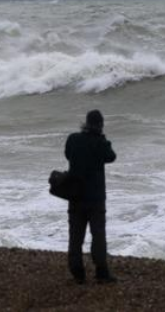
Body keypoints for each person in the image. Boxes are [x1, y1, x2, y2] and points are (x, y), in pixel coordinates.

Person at [65, 109, 117, 284]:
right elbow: (111, 157)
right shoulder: (100, 143)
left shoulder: (73, 139)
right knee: (98, 235)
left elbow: (67, 154)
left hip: (75, 196)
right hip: (95, 198)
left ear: (86, 123)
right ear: (100, 125)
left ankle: (77, 273)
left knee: (75, 236)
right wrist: (102, 138)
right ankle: (101, 273)